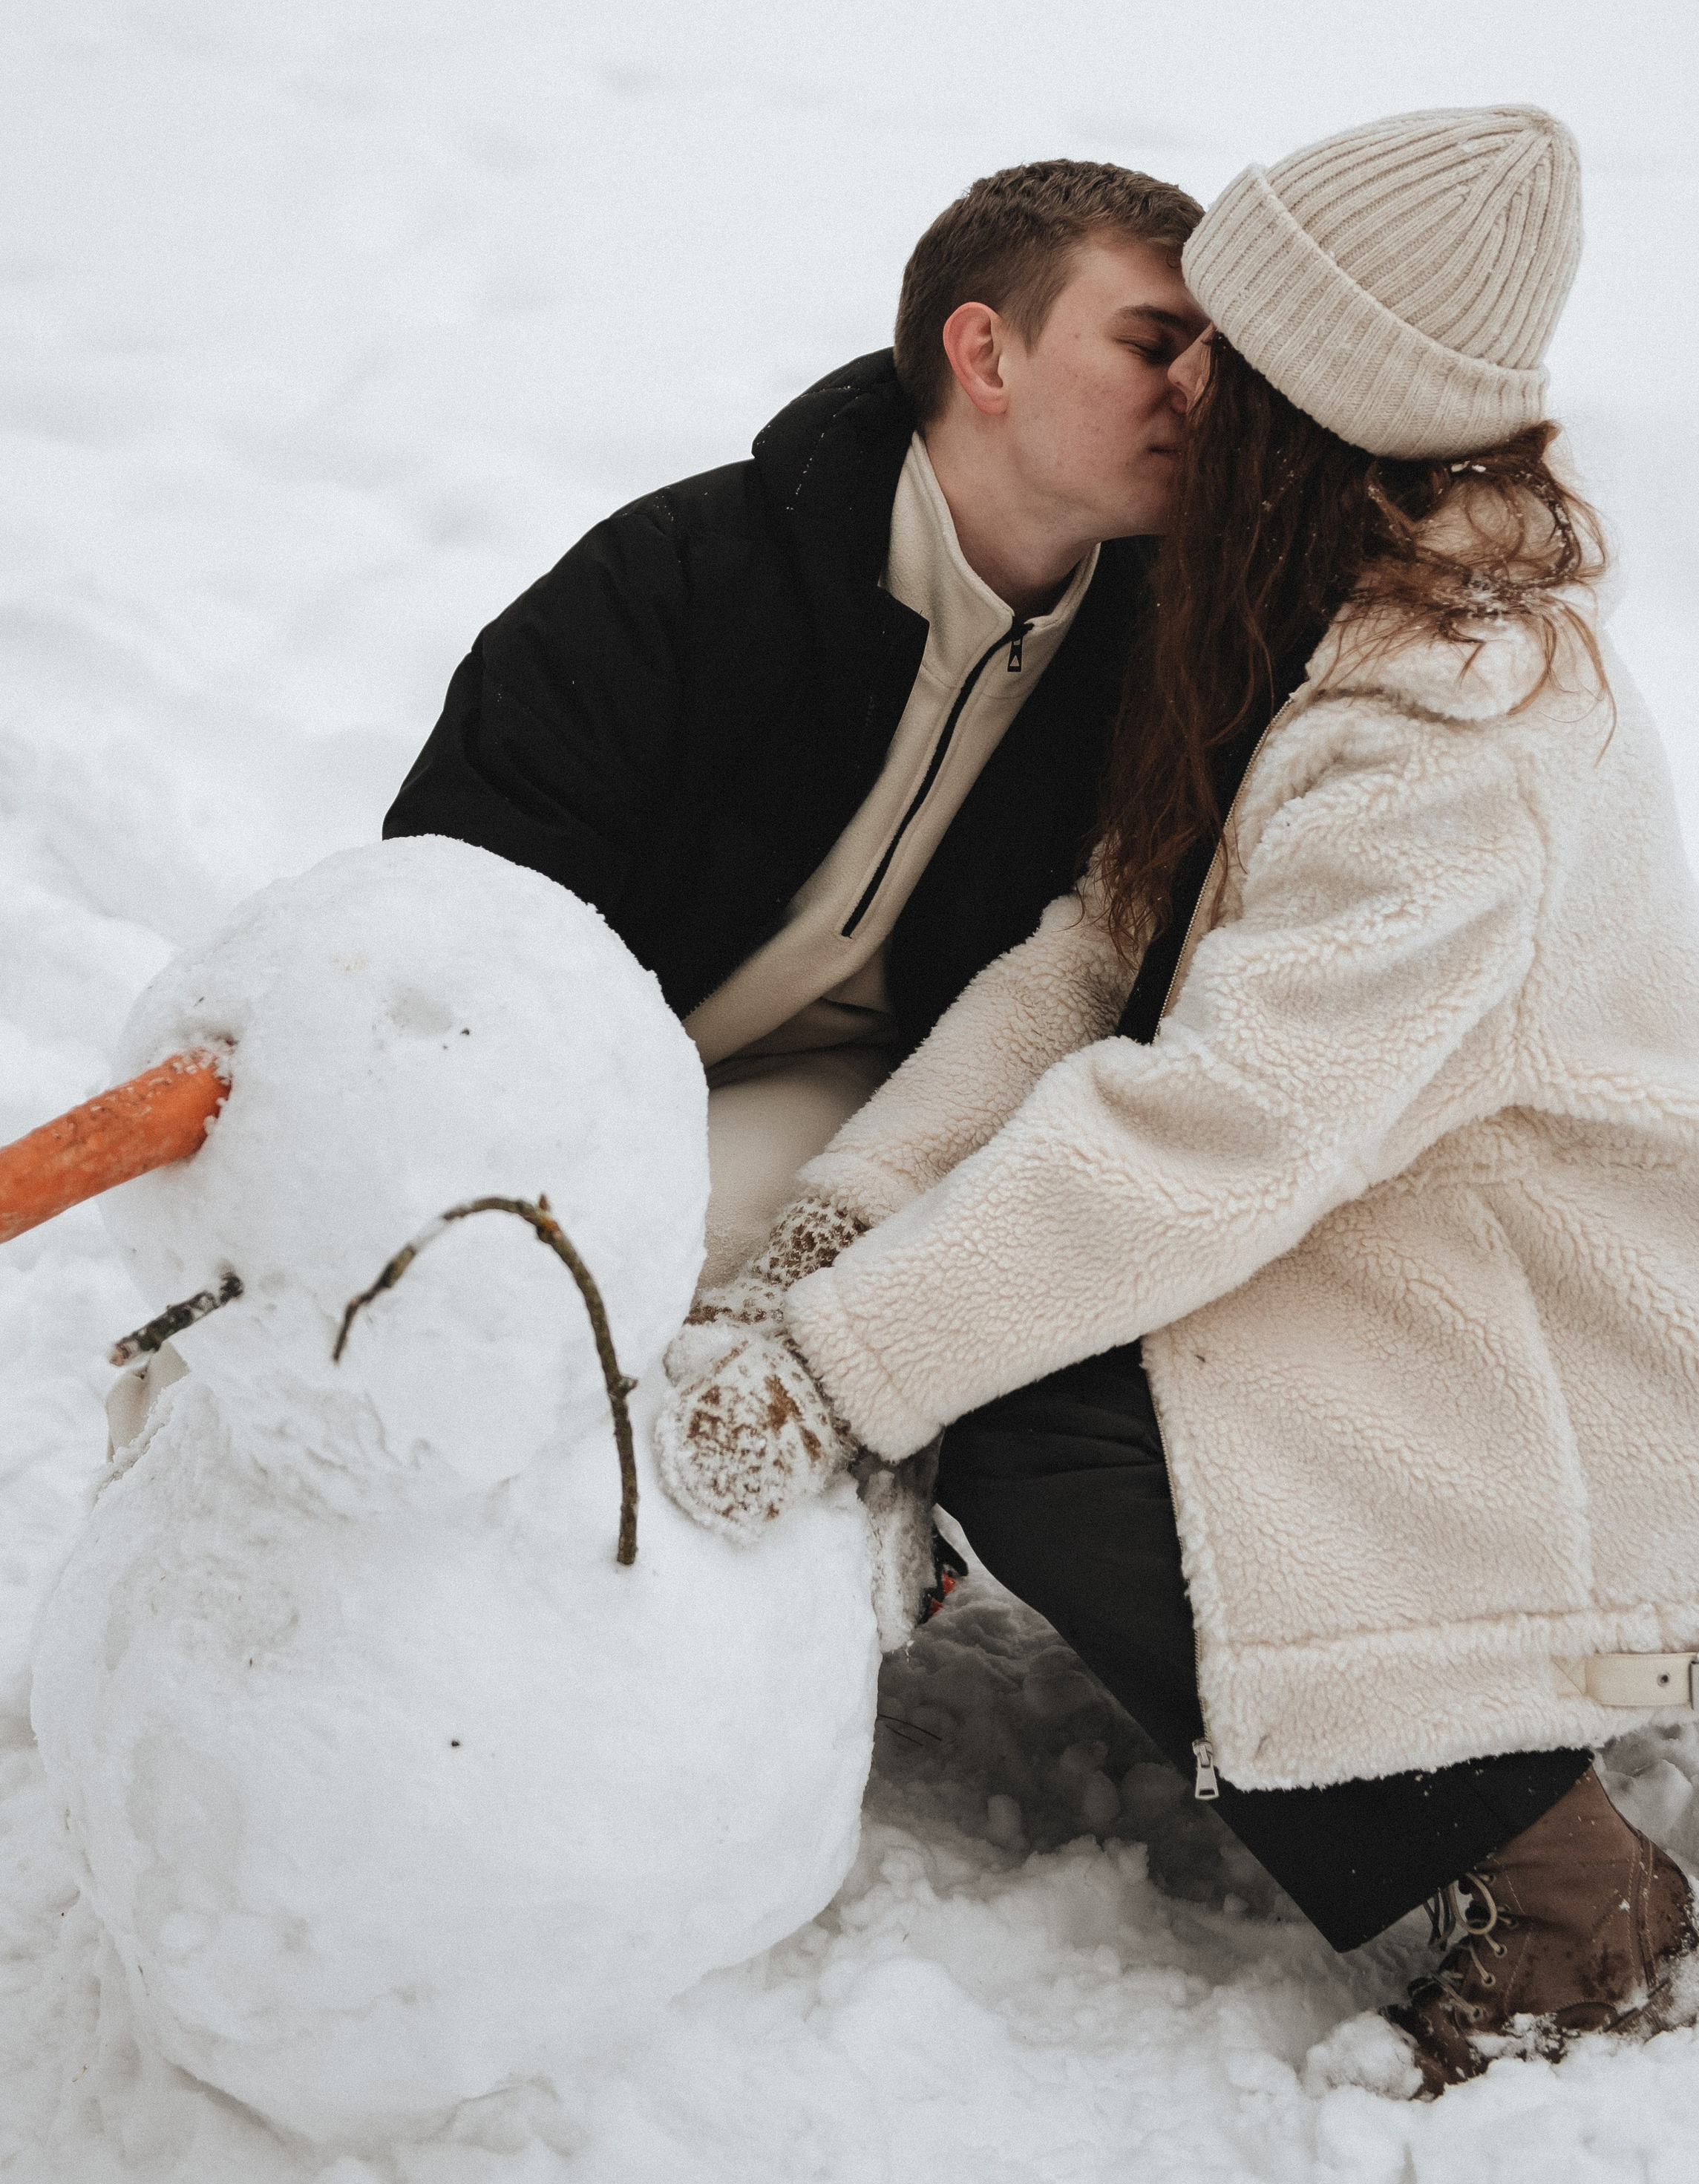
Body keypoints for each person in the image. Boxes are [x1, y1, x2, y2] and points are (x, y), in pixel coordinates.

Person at [651, 107, 1699, 2094]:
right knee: (983, 1335)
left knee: (1031, 1409)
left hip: (1615, 1389)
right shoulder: (1326, 620)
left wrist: (840, 1367)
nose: (1180, 376)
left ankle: (1580, 1920)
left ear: (1324, 405)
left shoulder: (1456, 746)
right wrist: (835, 1231)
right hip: (1472, 1278)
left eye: (1226, 345)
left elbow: (1209, 1137)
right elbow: (1087, 963)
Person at [105, 160, 1208, 1468]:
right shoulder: (683, 579)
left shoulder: (1163, 663)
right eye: (1153, 342)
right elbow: (453, 914)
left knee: (631, 1292)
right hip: (563, 1060)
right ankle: (175, 1528)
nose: (1196, 389)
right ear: (986, 353)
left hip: (840, 1104)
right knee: (373, 1279)